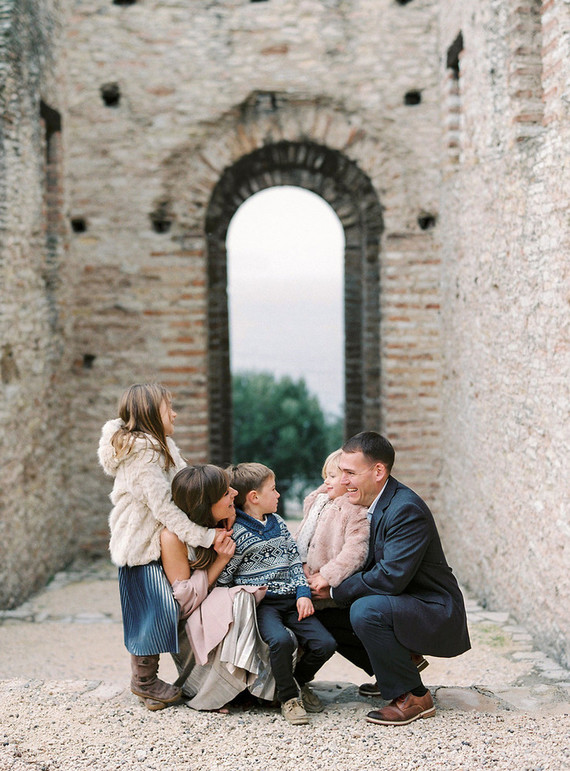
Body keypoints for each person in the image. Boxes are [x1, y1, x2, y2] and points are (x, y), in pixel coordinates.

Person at [314, 431, 471, 727]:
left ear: (378, 471)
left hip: (433, 608)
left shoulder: (405, 509)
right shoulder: (366, 504)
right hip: (402, 601)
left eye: (350, 473)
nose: (343, 480)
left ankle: (413, 697)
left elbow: (390, 577)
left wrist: (334, 591)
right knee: (325, 615)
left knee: (364, 610)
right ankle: (399, 668)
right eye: (342, 472)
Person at [98, 383, 222, 711]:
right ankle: (144, 681)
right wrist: (207, 538)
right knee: (154, 610)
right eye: (170, 408)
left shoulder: (162, 445)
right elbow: (165, 508)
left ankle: (179, 679)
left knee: (166, 608)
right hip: (139, 545)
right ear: (153, 414)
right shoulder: (142, 456)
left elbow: (182, 485)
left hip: (157, 541)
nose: (175, 414)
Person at [218, 462, 337, 725]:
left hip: (293, 601)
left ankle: (295, 683)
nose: (279, 494)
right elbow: (226, 577)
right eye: (273, 489)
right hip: (263, 605)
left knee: (325, 644)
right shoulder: (237, 533)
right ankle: (288, 699)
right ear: (254, 497)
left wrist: (303, 593)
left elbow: (295, 561)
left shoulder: (279, 523)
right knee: (281, 641)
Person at [160, 464, 275, 711]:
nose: (234, 492)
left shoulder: (226, 519)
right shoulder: (173, 537)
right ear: (205, 504)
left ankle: (253, 685)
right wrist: (221, 560)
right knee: (241, 598)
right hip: (193, 626)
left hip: (219, 612)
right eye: (225, 493)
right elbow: (186, 603)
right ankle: (214, 692)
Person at [295, 448, 370, 604]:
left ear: (347, 479)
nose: (326, 481)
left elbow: (355, 551)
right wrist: (297, 564)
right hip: (303, 582)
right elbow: (301, 535)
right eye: (326, 476)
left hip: (328, 589)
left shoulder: (354, 510)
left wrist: (328, 576)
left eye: (332, 476)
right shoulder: (317, 502)